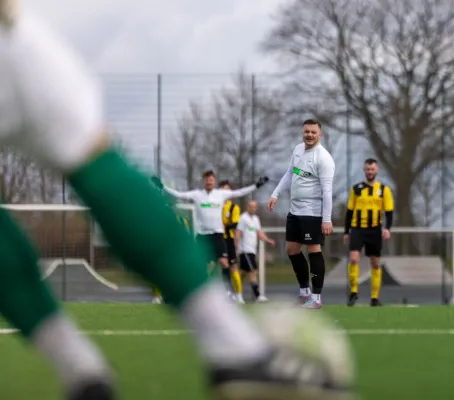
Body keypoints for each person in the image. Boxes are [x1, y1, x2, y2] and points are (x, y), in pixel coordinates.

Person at [0, 7, 349, 399]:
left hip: (227, 234)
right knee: (93, 158)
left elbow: (248, 192)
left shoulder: (306, 166)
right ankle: (235, 348)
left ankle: (81, 370)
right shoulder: (210, 190)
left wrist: (259, 189)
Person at [153, 171, 267, 304]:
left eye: (211, 180)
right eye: (207, 180)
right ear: (203, 181)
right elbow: (179, 194)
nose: (209, 182)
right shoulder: (197, 195)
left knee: (225, 263)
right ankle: (201, 293)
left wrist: (256, 186)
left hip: (218, 234)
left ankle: (235, 294)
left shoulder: (221, 194)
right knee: (201, 265)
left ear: (214, 181)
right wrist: (163, 187)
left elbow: (240, 192)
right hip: (202, 235)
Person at [267, 119, 335, 309]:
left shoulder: (324, 158)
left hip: (312, 213)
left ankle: (317, 297)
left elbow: (327, 192)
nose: (310, 135)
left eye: (313, 132)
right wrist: (275, 194)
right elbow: (290, 173)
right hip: (294, 211)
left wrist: (326, 219)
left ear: (319, 134)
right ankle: (304, 293)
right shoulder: (298, 150)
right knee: (292, 250)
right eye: (307, 132)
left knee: (313, 250)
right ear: (302, 133)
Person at [344, 159, 394, 307]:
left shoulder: (384, 190)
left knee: (376, 263)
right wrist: (347, 231)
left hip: (374, 230)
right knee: (353, 259)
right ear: (364, 170)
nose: (370, 172)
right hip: (358, 229)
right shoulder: (356, 189)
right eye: (367, 169)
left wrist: (387, 229)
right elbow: (349, 211)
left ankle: (374, 297)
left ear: (377, 170)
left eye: (372, 169)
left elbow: (389, 212)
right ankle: (353, 292)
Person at [237, 200, 276, 302]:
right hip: (245, 250)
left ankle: (236, 292)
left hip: (252, 250)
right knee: (253, 271)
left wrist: (268, 240)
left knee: (243, 273)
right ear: (247, 207)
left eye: (254, 207)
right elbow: (238, 233)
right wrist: (236, 248)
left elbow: (259, 233)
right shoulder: (243, 218)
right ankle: (257, 295)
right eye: (251, 206)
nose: (253, 208)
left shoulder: (256, 219)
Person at [219, 180, 244, 303]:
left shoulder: (234, 207)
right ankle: (226, 292)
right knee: (218, 266)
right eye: (222, 189)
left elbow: (234, 223)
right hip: (216, 238)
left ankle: (239, 294)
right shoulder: (215, 205)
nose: (225, 192)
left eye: (227, 189)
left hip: (228, 239)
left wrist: (226, 226)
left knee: (233, 266)